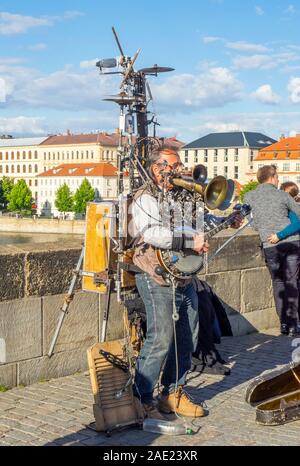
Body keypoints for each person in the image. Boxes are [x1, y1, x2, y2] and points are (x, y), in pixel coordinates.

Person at [131, 146, 209, 419]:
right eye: (173, 165)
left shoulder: (180, 195)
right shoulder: (144, 197)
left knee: (189, 337)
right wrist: (190, 242)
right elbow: (152, 234)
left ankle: (172, 393)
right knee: (161, 338)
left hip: (184, 276)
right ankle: (140, 398)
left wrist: (224, 221)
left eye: (179, 165)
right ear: (157, 168)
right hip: (155, 276)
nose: (179, 169)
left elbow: (196, 225)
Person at [245, 166, 300, 337]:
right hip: (291, 243)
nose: (277, 181)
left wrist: (261, 228)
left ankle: (283, 324)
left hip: (269, 245)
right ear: (272, 177)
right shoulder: (283, 195)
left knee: (278, 283)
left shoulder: (249, 196)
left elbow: (248, 219)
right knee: (291, 282)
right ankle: (294, 325)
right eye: (277, 178)